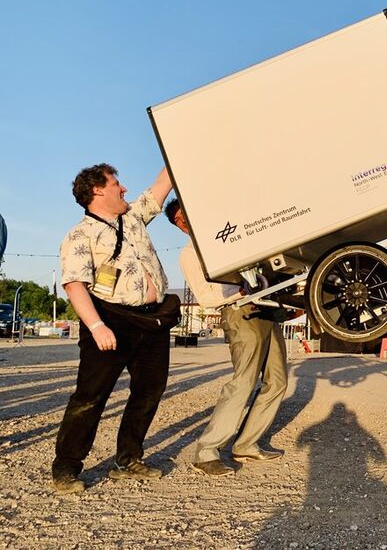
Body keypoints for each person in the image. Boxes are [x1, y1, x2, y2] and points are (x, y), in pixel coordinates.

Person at [53, 164, 178, 494]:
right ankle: (66, 466)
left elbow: (160, 186)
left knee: (150, 390)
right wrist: (96, 326)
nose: (124, 189)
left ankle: (128, 458)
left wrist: (178, 142)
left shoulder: (133, 216)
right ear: (97, 190)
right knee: (90, 397)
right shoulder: (80, 235)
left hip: (151, 320)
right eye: (116, 183)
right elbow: (75, 285)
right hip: (109, 320)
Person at [165, 199, 288, 476]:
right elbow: (206, 297)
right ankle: (206, 452)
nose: (185, 222)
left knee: (277, 381)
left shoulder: (224, 240)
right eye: (179, 221)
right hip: (239, 313)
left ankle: (246, 444)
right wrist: (242, 293)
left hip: (265, 311)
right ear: (178, 227)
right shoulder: (190, 254)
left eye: (187, 215)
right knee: (243, 382)